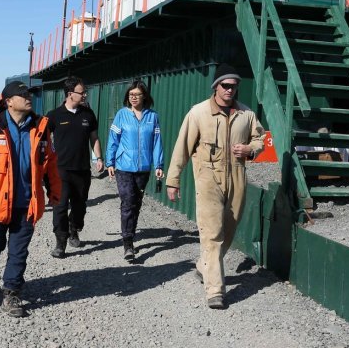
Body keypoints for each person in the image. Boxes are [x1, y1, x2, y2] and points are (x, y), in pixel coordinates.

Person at [166, 63, 264, 310]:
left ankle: (203, 266)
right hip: (208, 179)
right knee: (212, 234)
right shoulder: (198, 113)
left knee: (228, 231)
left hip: (237, 179)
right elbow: (182, 148)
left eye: (234, 86)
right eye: (226, 85)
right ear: (216, 86)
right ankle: (215, 291)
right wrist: (173, 180)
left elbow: (260, 139)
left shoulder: (246, 114)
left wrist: (250, 149)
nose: (231, 90)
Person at [0, 81, 61, 317]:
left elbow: (50, 163)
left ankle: (11, 293)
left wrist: (55, 192)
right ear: (9, 101)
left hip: (26, 203)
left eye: (29, 94)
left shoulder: (40, 127)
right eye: (23, 94)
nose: (28, 97)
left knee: (19, 252)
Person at [104, 80, 164, 262]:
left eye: (137, 94)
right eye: (131, 94)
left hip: (143, 168)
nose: (133, 97)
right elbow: (113, 139)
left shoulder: (152, 117)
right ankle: (127, 243)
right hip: (123, 167)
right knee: (128, 201)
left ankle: (130, 234)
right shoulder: (122, 115)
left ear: (144, 96)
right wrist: (110, 162)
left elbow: (157, 143)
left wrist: (158, 165)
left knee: (136, 203)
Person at [45, 76, 103, 258]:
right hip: (60, 170)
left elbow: (94, 138)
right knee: (60, 207)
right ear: (70, 94)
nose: (85, 94)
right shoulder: (54, 115)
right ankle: (60, 242)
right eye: (82, 92)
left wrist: (98, 158)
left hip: (82, 170)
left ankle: (74, 228)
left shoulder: (88, 114)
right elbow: (43, 140)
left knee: (80, 206)